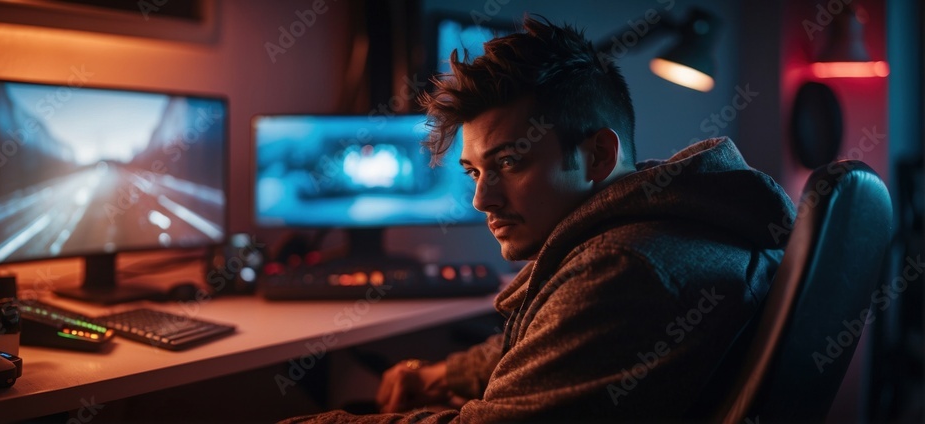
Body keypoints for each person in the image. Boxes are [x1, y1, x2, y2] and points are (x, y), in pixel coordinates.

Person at [284, 15, 795, 423]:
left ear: (597, 156)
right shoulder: (667, 220)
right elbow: (553, 341)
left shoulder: (619, 267)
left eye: (510, 162)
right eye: (473, 171)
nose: (482, 200)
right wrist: (439, 373)